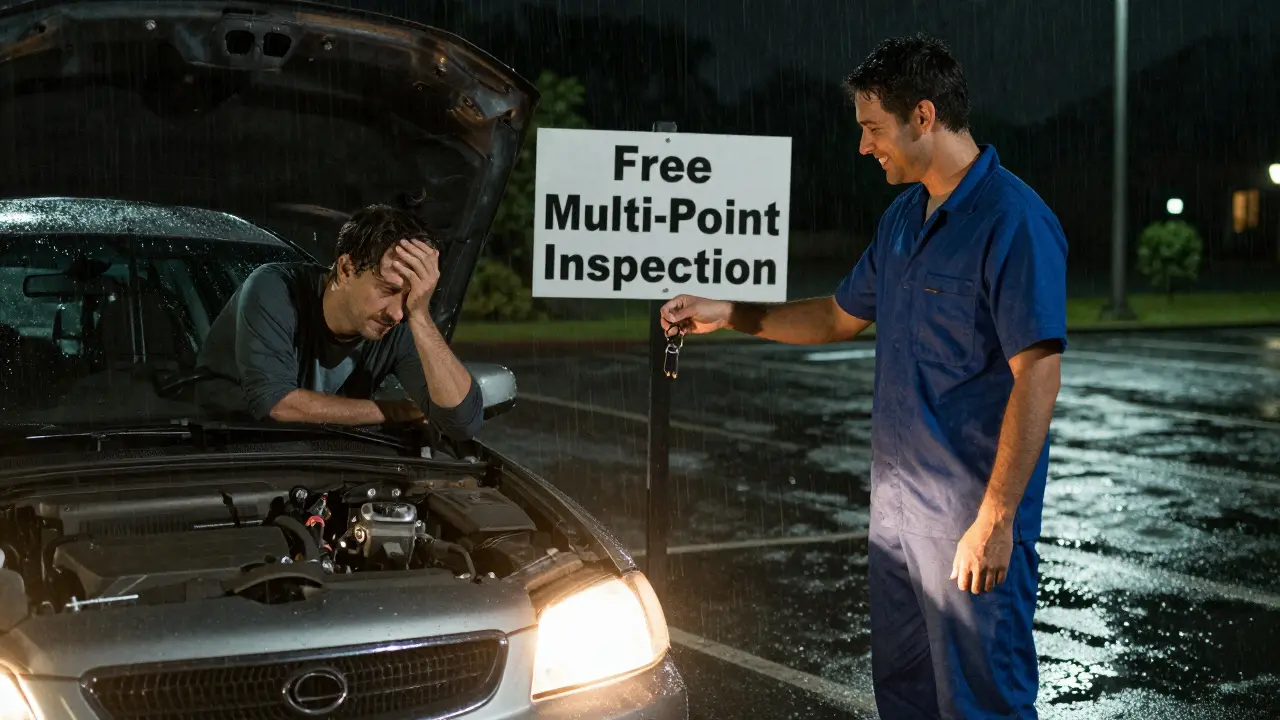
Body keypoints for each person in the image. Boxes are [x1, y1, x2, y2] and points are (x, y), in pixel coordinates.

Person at [661, 33, 1066, 720]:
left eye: (873, 128)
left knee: (983, 705)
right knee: (904, 698)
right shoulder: (903, 220)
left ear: (925, 117)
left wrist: (996, 520)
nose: (863, 146)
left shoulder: (1013, 221)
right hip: (898, 524)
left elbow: (1038, 375)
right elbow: (837, 317)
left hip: (969, 527)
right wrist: (728, 312)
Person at [194, 203, 484, 440]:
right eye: (389, 290)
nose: (397, 313)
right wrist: (396, 411)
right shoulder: (274, 287)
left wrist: (420, 314)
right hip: (214, 452)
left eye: (411, 297)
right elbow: (278, 405)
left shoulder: (401, 319)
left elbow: (460, 425)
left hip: (326, 461)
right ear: (346, 269)